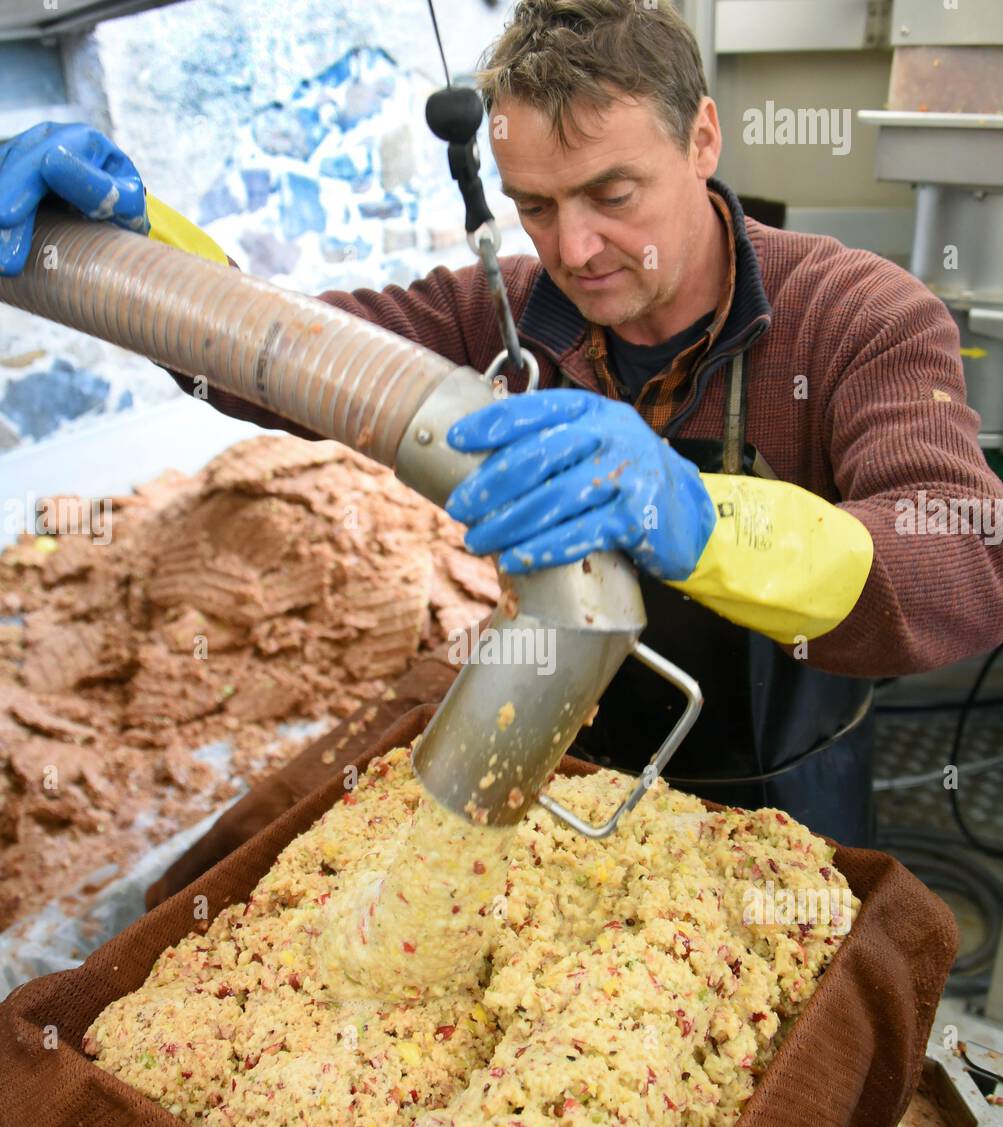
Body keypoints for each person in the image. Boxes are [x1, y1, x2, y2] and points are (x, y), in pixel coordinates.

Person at [2, 0, 1001, 846]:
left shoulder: (857, 316)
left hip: (786, 791)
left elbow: (960, 563)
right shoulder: (502, 309)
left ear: (702, 138)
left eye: (612, 195)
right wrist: (128, 239)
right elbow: (279, 357)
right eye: (534, 205)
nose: (575, 247)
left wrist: (699, 516)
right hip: (572, 757)